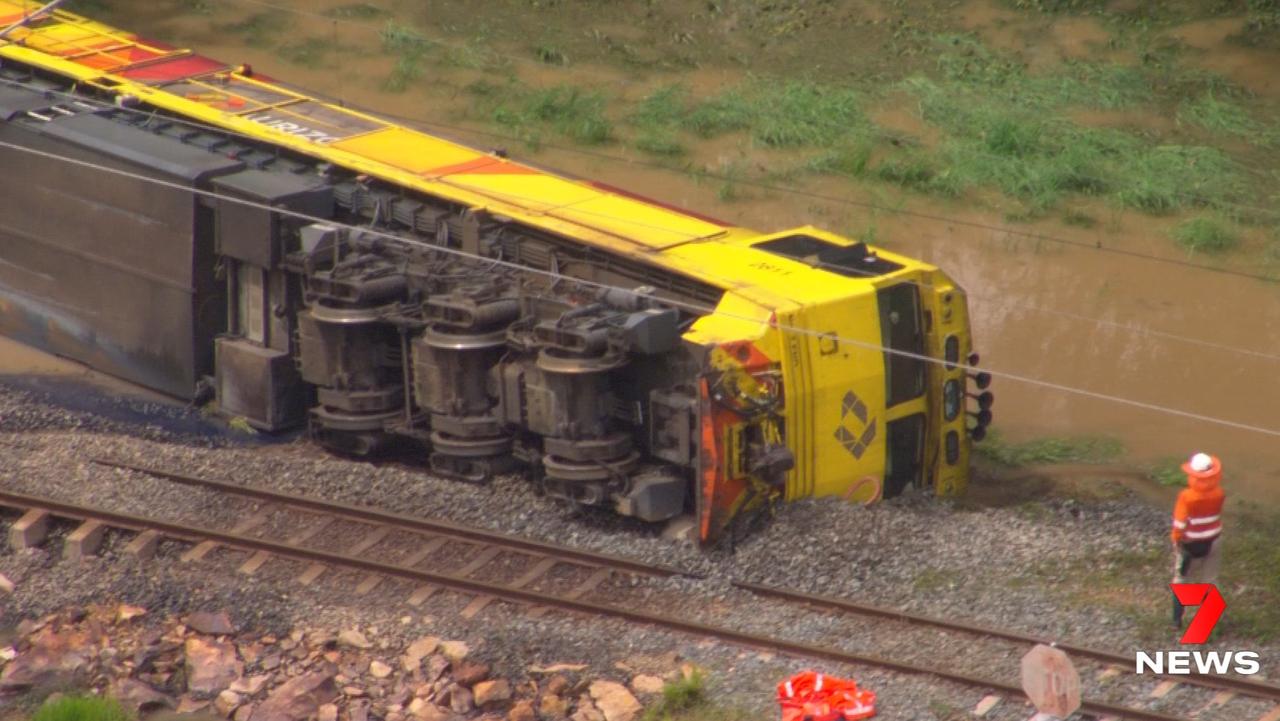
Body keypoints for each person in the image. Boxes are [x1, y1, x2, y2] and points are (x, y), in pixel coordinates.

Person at [1170, 452, 1225, 629]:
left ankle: (1177, 620)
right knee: (1210, 580)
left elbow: (1179, 524)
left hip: (1190, 545)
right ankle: (1209, 623)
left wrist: (1176, 540)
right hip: (1214, 541)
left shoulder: (1186, 496)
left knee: (1181, 579)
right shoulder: (1219, 493)